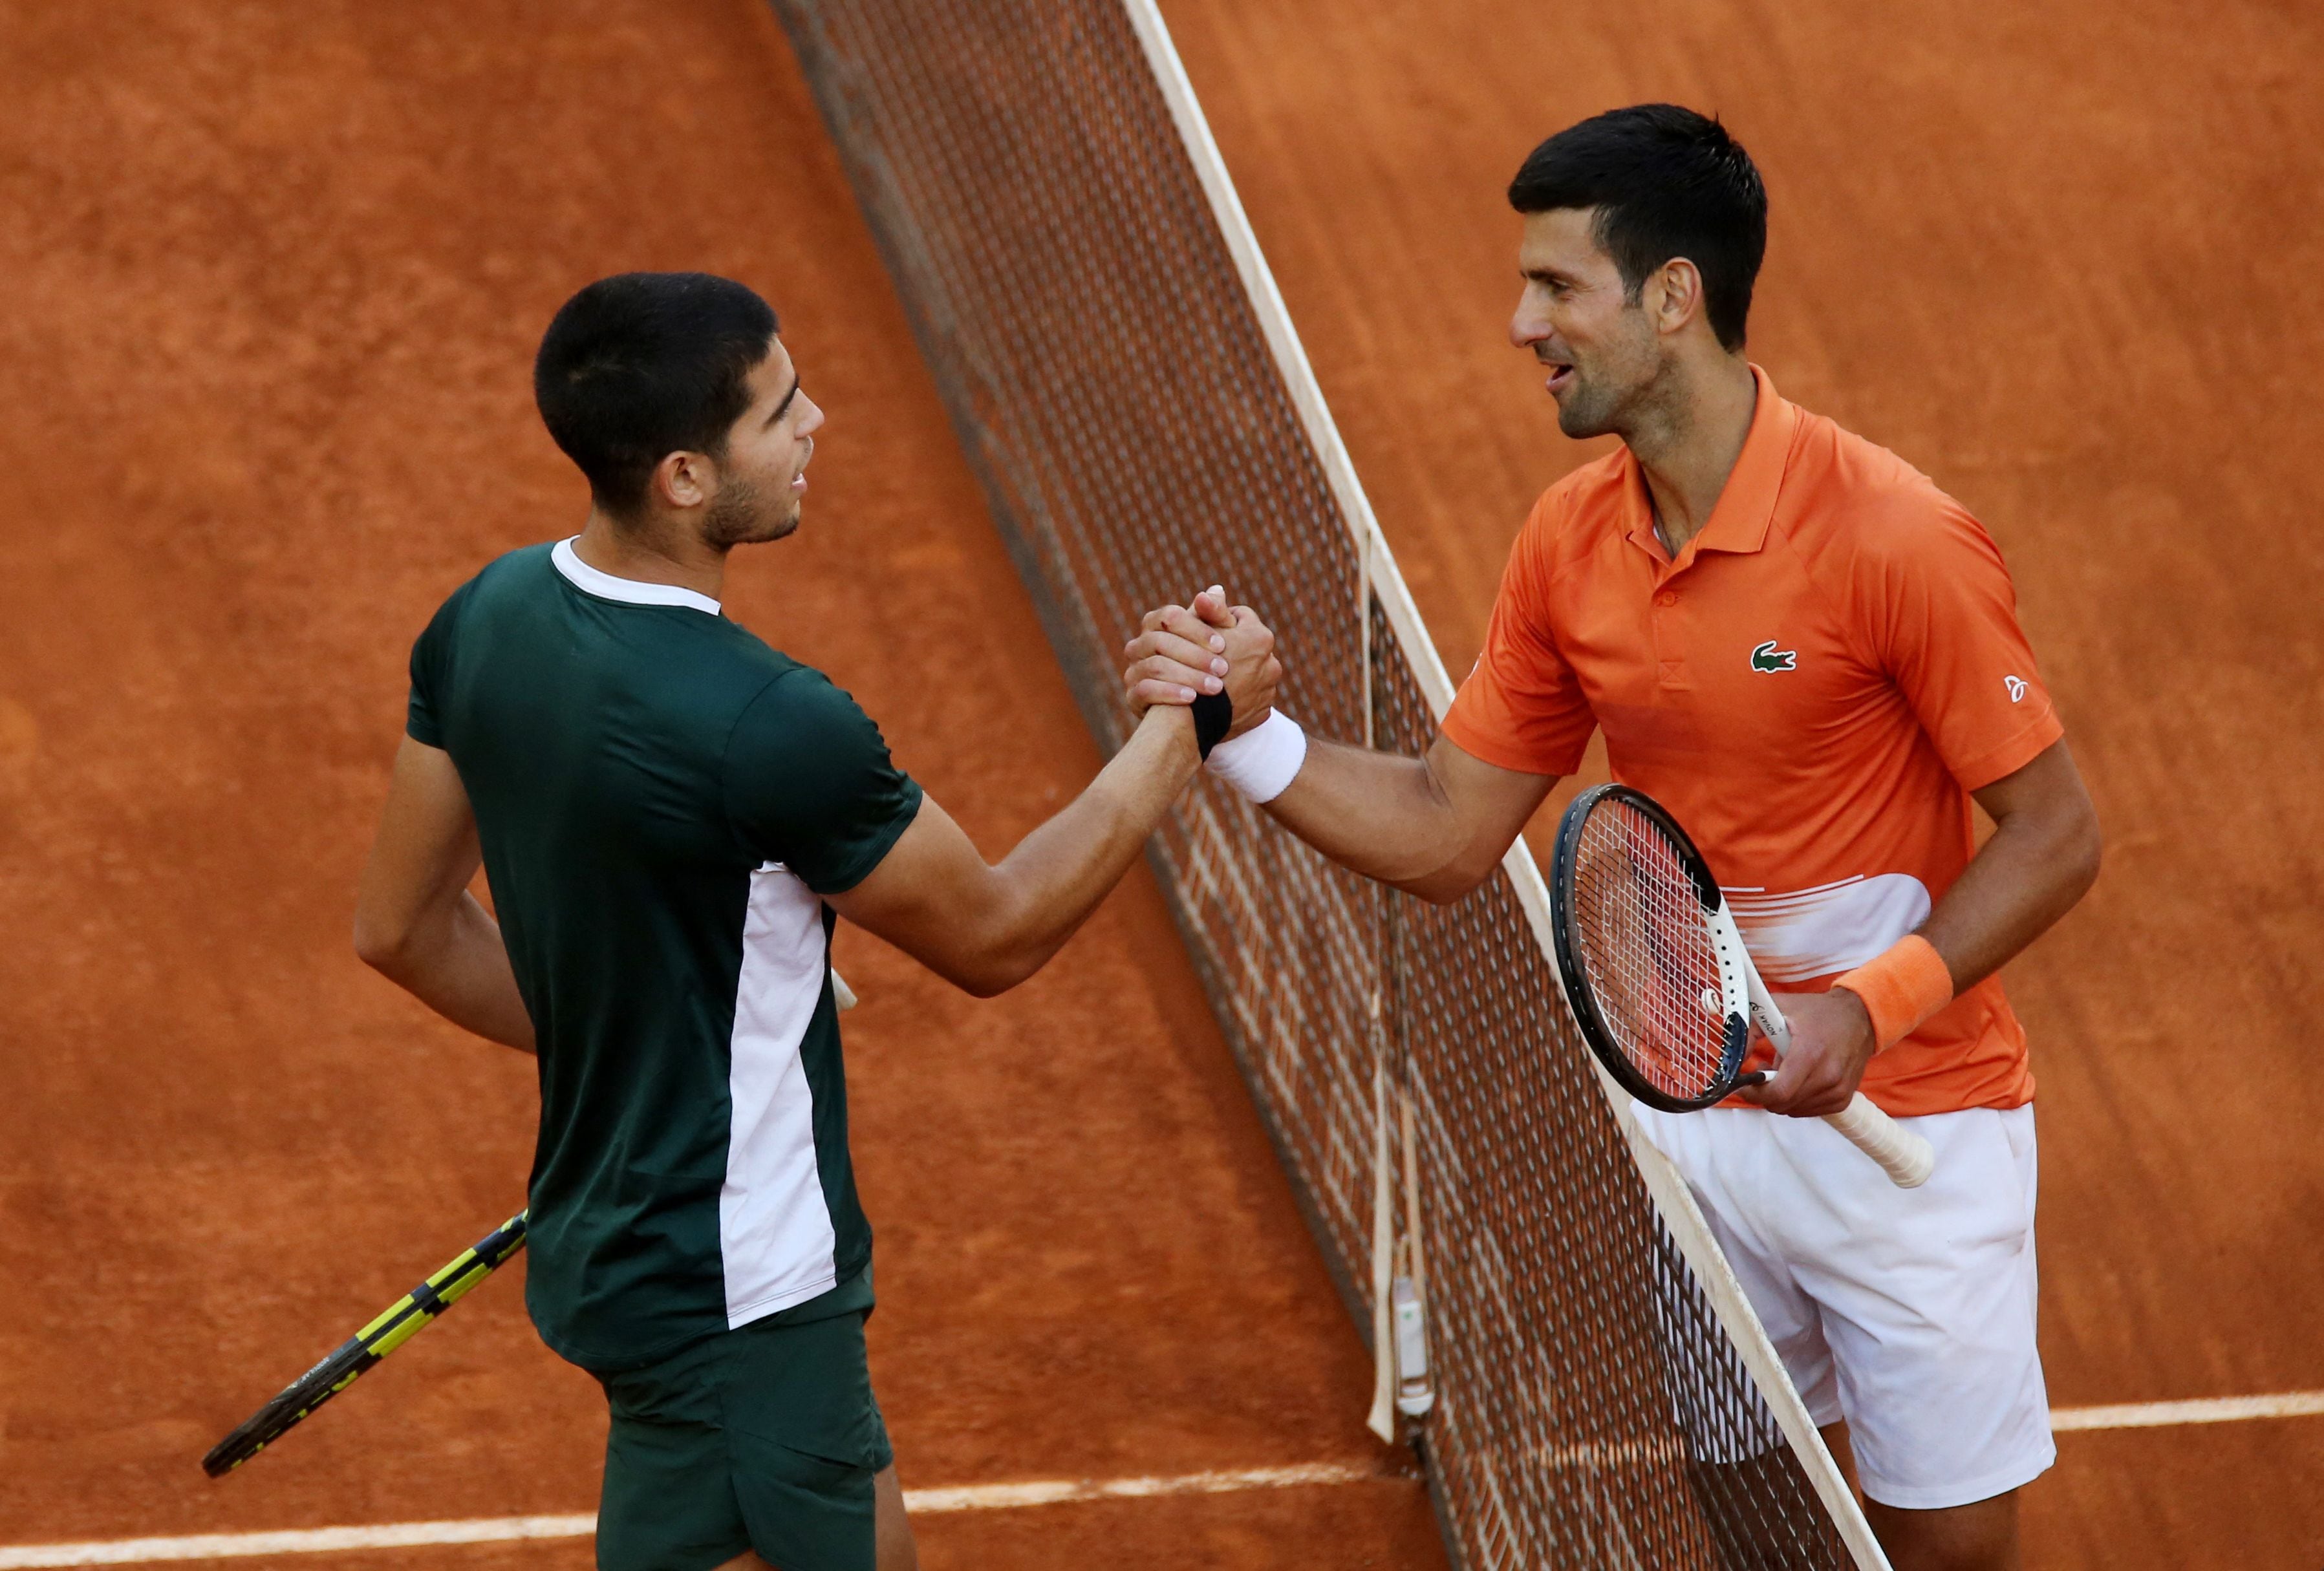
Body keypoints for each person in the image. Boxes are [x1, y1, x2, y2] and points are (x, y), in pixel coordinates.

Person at [1123, 106, 2100, 1571]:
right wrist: (1243, 735)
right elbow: (1452, 829)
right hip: (1701, 1118)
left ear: (1673, 296)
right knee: (1755, 1517)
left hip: (1919, 1128)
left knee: (1946, 1550)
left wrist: (1869, 1006)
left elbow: (2057, 834)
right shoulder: (1570, 543)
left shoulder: (1894, 538)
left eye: (1556, 287)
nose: (1523, 324)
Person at [352, 272, 1276, 1571]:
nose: (816, 422)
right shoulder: (769, 725)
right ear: (682, 476)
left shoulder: (487, 618)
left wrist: (663, 1036)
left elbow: (405, 929)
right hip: (742, 1300)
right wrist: (1187, 729)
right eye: (779, 412)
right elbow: (998, 932)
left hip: (650, 1259)